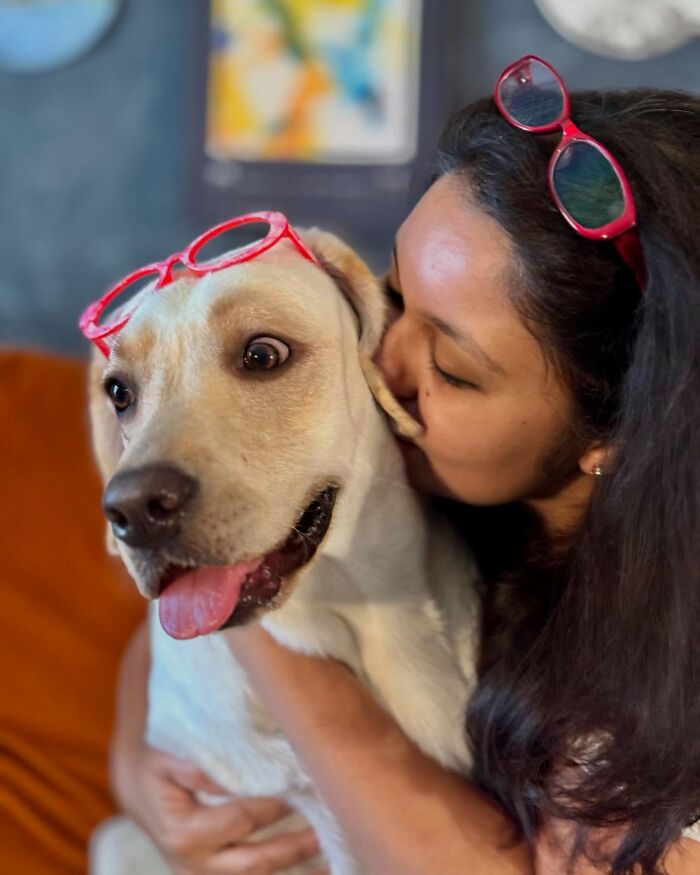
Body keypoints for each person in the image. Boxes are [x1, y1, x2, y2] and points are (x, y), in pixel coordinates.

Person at [110, 59, 700, 875]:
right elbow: (125, 412)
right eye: (393, 289)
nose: (375, 361)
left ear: (624, 427)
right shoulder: (418, 463)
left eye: (453, 371)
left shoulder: (650, 684)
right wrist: (135, 768)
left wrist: (266, 626)